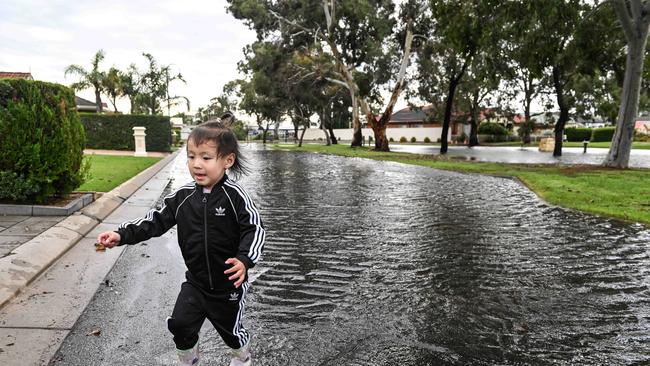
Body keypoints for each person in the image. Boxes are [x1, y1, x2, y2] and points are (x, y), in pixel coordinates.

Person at [97, 115, 265, 366]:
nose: (197, 164)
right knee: (180, 325)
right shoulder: (183, 197)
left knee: (232, 333)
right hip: (195, 283)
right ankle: (189, 360)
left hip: (227, 285)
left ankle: (242, 358)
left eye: (206, 158)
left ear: (227, 160)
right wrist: (121, 234)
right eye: (191, 156)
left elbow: (255, 229)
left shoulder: (235, 197)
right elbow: (154, 221)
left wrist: (244, 260)